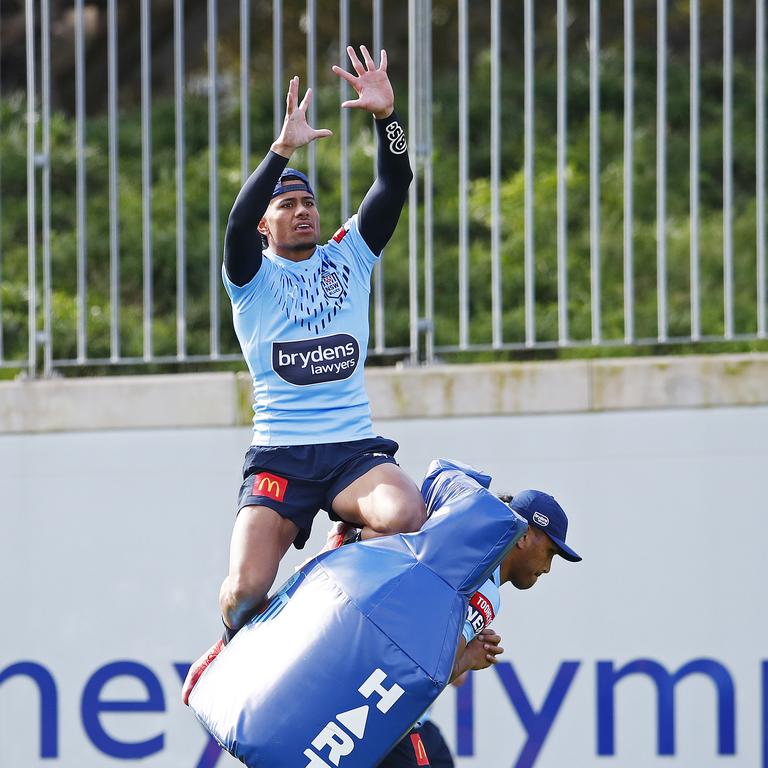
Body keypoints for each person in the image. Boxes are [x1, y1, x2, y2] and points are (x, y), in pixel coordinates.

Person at [182, 45, 425, 704]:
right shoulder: (251, 279)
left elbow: (395, 184)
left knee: (406, 514)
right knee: (246, 591)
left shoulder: (350, 257)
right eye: (287, 205)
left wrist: (388, 119)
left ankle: (340, 551)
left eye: (308, 202)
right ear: (266, 225)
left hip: (350, 452)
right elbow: (233, 222)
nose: (303, 210)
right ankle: (235, 651)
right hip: (282, 459)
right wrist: (280, 155)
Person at [377, 459, 583, 767]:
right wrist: (468, 660)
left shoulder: (458, 557)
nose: (548, 567)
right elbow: (429, 672)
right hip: (393, 723)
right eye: (550, 552)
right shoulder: (487, 590)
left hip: (374, 710)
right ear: (524, 536)